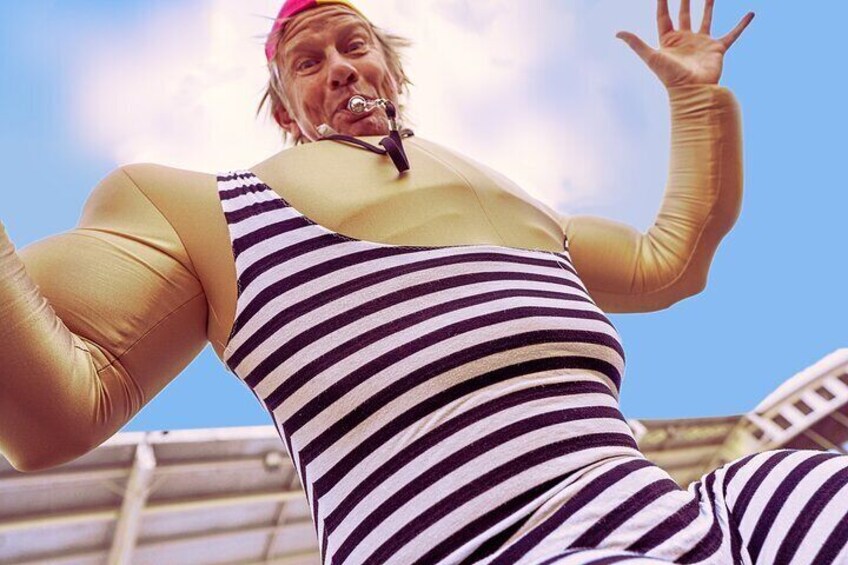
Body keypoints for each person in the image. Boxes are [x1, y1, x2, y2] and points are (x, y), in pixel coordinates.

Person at [3, 0, 845, 563]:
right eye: (306, 61)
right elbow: (57, 413)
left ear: (391, 71)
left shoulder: (531, 219)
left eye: (353, 45)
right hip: (493, 549)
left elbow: (672, 263)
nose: (339, 67)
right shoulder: (206, 212)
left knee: (805, 485)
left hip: (683, 514)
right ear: (285, 110)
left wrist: (696, 105)